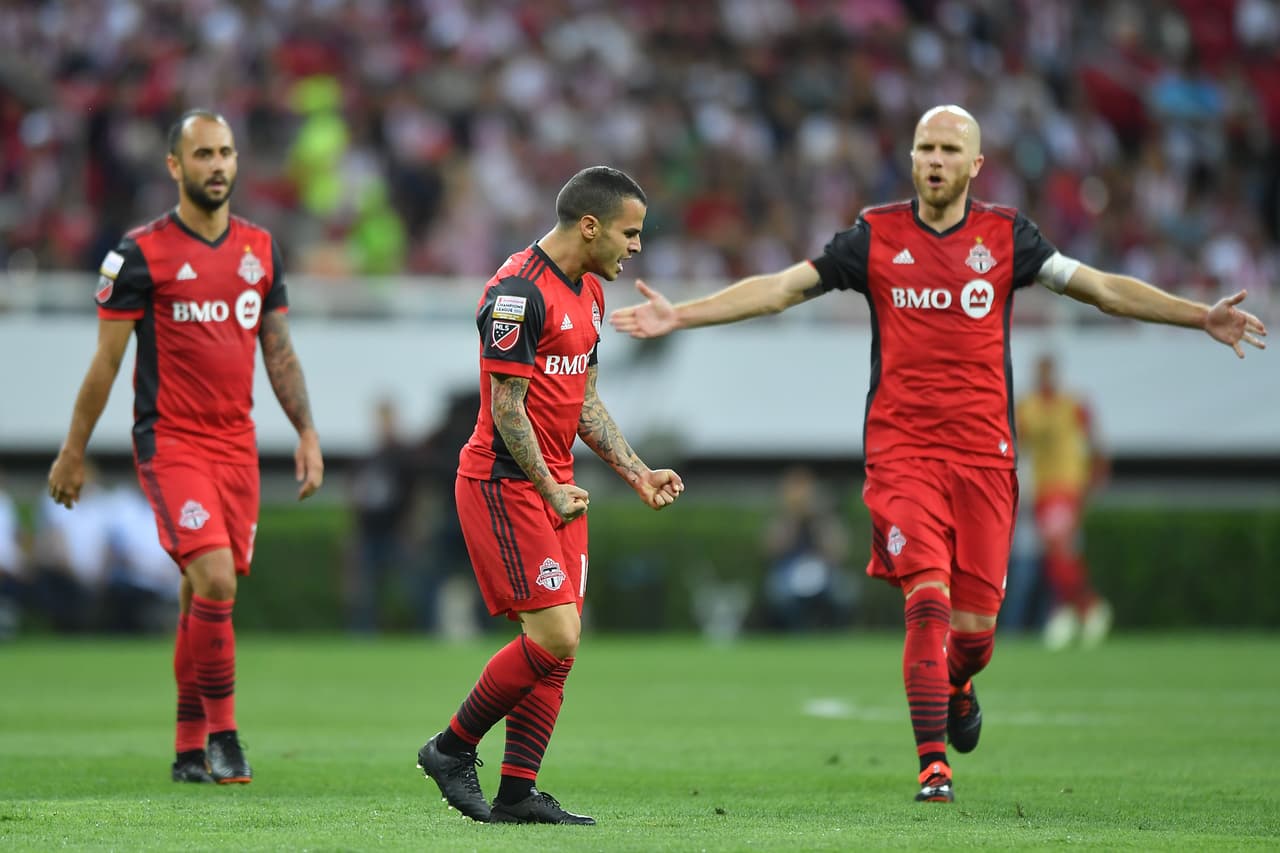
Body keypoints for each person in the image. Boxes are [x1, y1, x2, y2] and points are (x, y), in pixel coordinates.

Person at [610, 104, 1266, 804]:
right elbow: (781, 288)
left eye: (951, 149)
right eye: (925, 146)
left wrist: (1199, 314)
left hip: (985, 460)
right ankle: (932, 766)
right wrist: (684, 312)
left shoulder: (1009, 237)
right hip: (902, 457)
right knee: (927, 600)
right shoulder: (875, 235)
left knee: (975, 635)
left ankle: (958, 682)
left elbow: (1102, 288)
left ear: (975, 164)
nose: (935, 159)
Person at [47, 109, 324, 785]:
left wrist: (307, 431)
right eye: (203, 154)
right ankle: (225, 736)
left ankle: (185, 747)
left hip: (238, 446)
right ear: (175, 165)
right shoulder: (138, 255)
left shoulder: (261, 248)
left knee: (197, 599)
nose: (217, 165)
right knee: (215, 579)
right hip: (170, 442)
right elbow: (106, 363)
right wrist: (72, 450)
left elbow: (278, 350)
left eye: (226, 152)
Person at [416, 166, 684, 825]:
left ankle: (516, 791)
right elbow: (507, 408)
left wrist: (638, 471)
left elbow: (584, 402)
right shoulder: (516, 292)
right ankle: (451, 747)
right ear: (589, 226)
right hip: (505, 482)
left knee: (563, 644)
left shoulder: (589, 291)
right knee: (554, 633)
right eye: (630, 232)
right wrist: (552, 488)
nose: (637, 247)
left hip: (556, 484)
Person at [1016, 354, 1113, 650]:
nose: (1043, 376)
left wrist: (1095, 478)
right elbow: (1016, 443)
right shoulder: (1027, 407)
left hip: (1068, 485)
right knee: (1057, 554)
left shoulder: (1071, 403)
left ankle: (1087, 608)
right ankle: (1074, 609)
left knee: (1058, 549)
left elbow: (1095, 442)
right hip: (1044, 488)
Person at [345, 396, 419, 633]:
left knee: (410, 587)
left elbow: (414, 495)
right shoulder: (368, 458)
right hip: (369, 532)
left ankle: (417, 631)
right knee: (365, 590)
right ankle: (363, 634)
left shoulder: (404, 457)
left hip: (396, 532)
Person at [762, 466, 857, 632]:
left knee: (844, 591)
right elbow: (771, 550)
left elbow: (839, 553)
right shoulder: (782, 517)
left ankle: (835, 634)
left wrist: (820, 518)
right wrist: (792, 517)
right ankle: (795, 633)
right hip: (788, 572)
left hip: (825, 572)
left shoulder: (824, 518)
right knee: (778, 593)